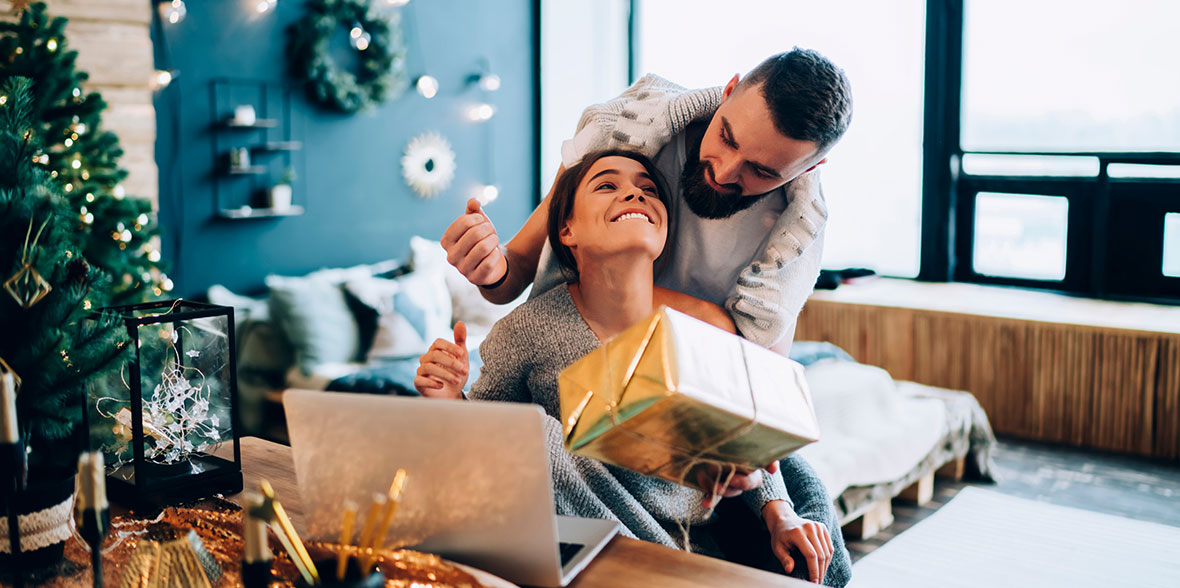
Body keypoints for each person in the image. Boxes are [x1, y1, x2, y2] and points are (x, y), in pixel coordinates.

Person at [416, 150, 851, 586]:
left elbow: (744, 439)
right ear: (567, 229)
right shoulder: (527, 330)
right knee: (538, 432)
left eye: (647, 190)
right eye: (608, 185)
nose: (634, 194)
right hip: (589, 553)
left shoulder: (705, 325)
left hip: (694, 551)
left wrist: (781, 515)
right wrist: (451, 397)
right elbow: (488, 445)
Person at [441, 48, 853, 355]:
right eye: (726, 137)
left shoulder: (794, 237)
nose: (725, 172)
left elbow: (759, 367)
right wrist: (491, 267)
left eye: (762, 172)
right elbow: (516, 274)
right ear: (728, 91)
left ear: (808, 170)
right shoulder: (620, 132)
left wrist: (610, 293)